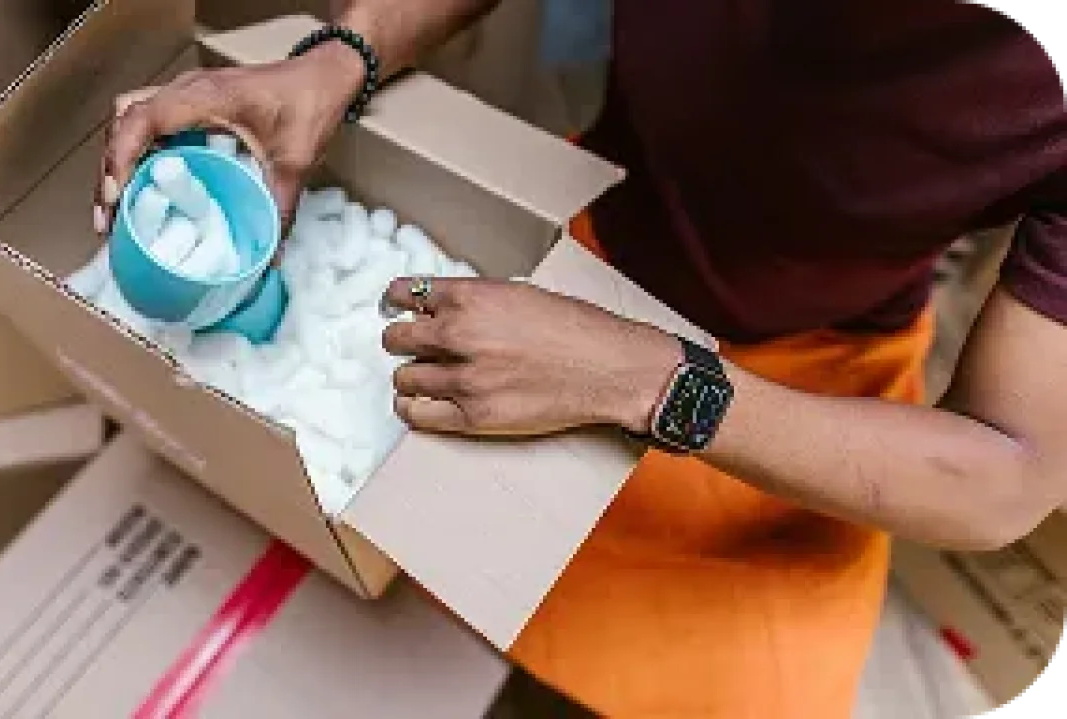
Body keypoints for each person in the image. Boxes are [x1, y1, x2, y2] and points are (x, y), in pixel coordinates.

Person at [96, 1, 1067, 715]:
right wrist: (340, 57)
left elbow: (1004, 473)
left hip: (799, 373)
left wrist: (643, 380)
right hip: (590, 225)